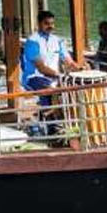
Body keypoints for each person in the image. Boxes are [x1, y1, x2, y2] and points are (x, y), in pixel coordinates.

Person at [20, 10, 83, 138]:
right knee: (50, 90)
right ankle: (52, 128)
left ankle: (67, 124)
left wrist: (81, 69)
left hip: (53, 78)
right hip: (34, 77)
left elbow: (69, 61)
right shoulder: (32, 41)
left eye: (52, 23)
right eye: (46, 23)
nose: (50, 26)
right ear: (39, 24)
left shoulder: (57, 40)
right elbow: (42, 68)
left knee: (69, 90)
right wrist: (60, 75)